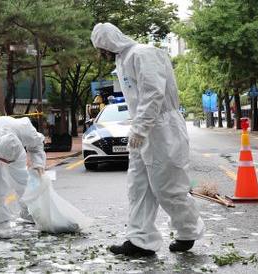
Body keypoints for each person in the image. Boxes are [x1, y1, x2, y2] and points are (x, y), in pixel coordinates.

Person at [91, 22, 204, 256]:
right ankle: (140, 240)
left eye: (102, 48)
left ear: (109, 42)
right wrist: (139, 128)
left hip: (163, 128)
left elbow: (154, 92)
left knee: (168, 186)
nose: (101, 54)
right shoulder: (123, 60)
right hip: (143, 129)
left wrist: (141, 127)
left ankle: (188, 231)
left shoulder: (143, 54)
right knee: (138, 186)